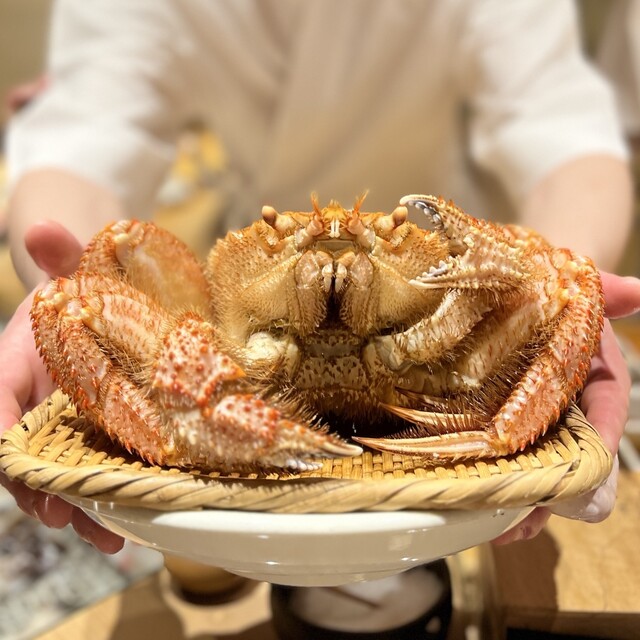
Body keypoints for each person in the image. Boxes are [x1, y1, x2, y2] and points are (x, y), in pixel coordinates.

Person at [1, 0, 639, 553]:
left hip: (437, 292)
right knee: (76, 303)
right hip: (242, 333)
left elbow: (561, 130)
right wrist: (60, 283)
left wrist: (573, 282)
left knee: (561, 285)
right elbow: (87, 132)